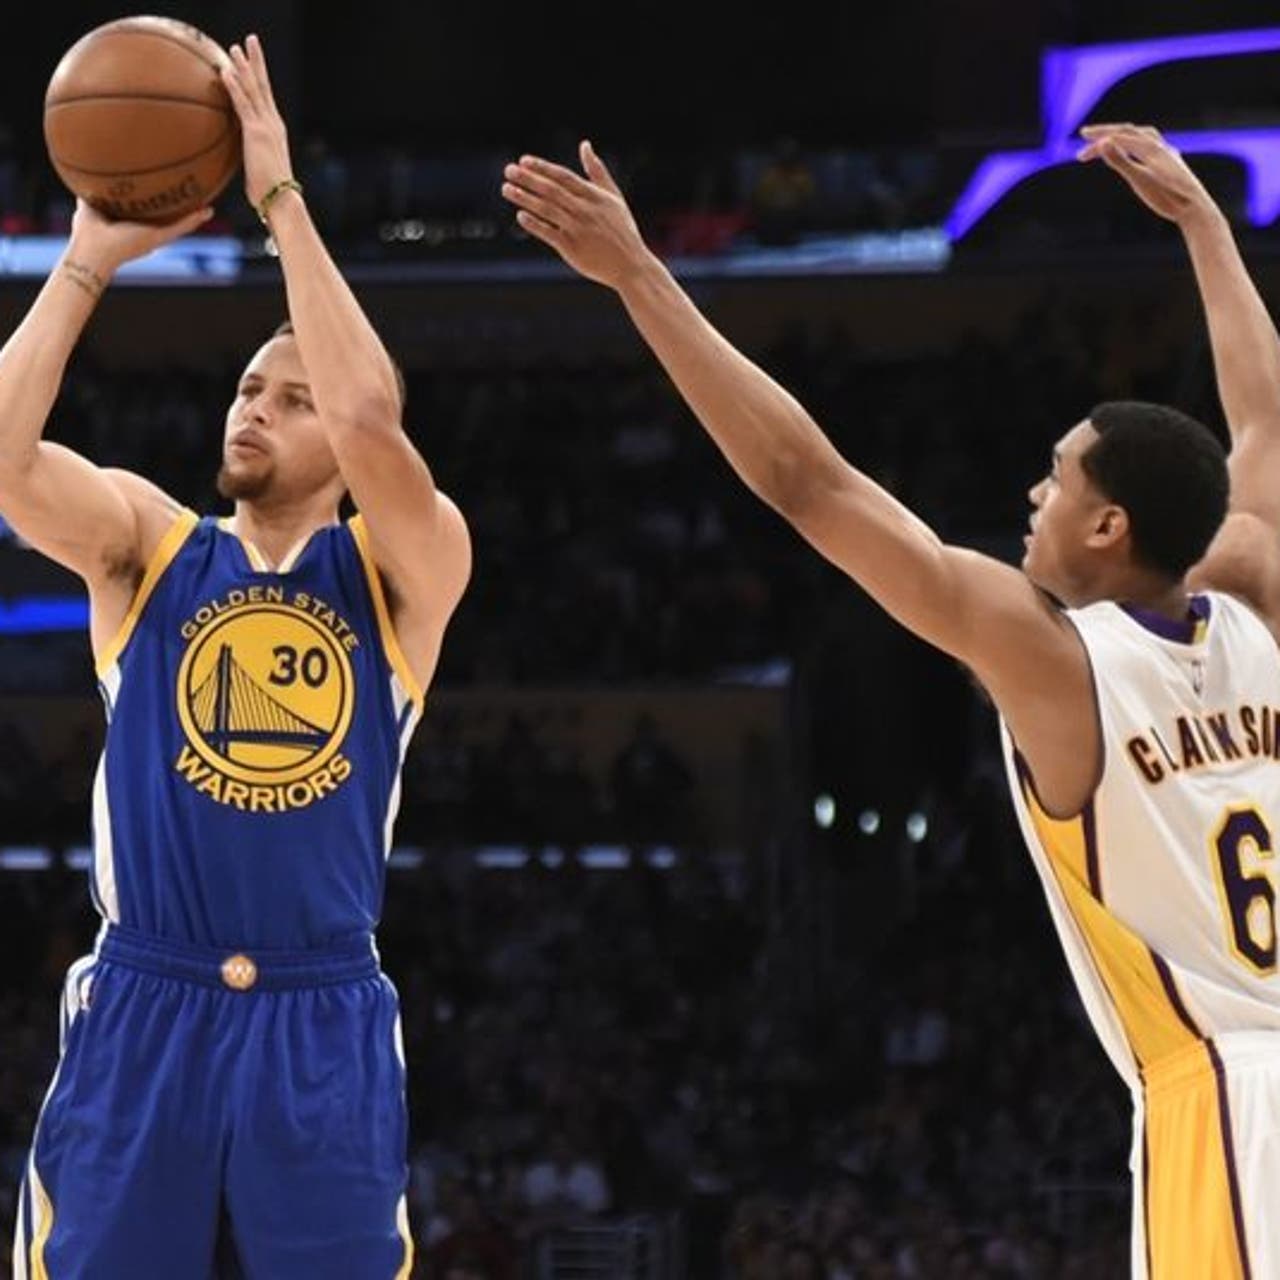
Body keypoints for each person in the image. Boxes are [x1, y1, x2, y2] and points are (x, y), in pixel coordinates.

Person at [501, 125, 1280, 1277]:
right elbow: (1259, 420)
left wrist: (639, 278)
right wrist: (1205, 227)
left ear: (1109, 527)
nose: (1032, 490)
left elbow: (806, 483)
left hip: (1223, 1091)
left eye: (1057, 477)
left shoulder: (1053, 655)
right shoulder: (1251, 593)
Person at [6, 34, 470, 1279]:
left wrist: (280, 199)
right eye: (247, 387)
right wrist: (85, 265)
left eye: (288, 394)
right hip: (146, 1000)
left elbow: (375, 415)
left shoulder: (400, 571)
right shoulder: (148, 545)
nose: (250, 405)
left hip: (319, 1016)